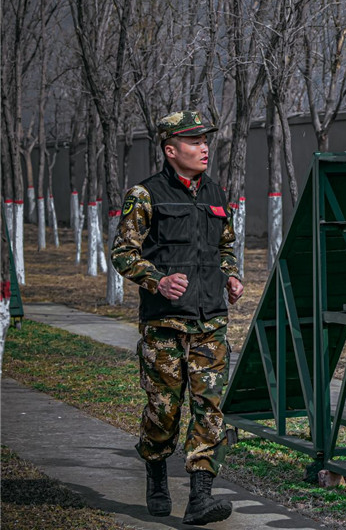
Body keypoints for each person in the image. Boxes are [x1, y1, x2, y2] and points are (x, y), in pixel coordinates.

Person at [111, 110, 243, 525]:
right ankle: (154, 470)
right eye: (193, 142)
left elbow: (226, 246)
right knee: (163, 411)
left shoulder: (217, 194)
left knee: (210, 408)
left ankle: (200, 496)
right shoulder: (145, 195)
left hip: (210, 322)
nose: (204, 147)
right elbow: (123, 253)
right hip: (165, 325)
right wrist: (158, 280)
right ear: (171, 150)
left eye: (206, 140)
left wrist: (232, 275)